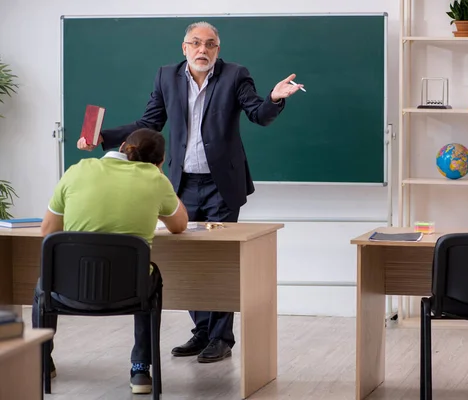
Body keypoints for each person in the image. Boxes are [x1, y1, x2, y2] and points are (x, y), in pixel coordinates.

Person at [77, 21, 303, 363]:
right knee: (189, 259)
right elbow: (148, 124)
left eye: (210, 44)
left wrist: (274, 98)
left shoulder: (235, 75)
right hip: (182, 183)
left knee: (222, 260)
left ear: (218, 50)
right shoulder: (166, 77)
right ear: (184, 48)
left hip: (222, 183)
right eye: (196, 43)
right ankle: (201, 331)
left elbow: (259, 114)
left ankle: (221, 337)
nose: (203, 49)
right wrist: (103, 138)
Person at [35, 128, 189, 395]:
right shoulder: (155, 179)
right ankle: (140, 369)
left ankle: (42, 361)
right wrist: (160, 179)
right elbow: (179, 225)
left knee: (44, 283)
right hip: (129, 292)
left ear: (123, 148)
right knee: (148, 277)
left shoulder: (78, 169)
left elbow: (48, 230)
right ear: (160, 162)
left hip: (69, 290)